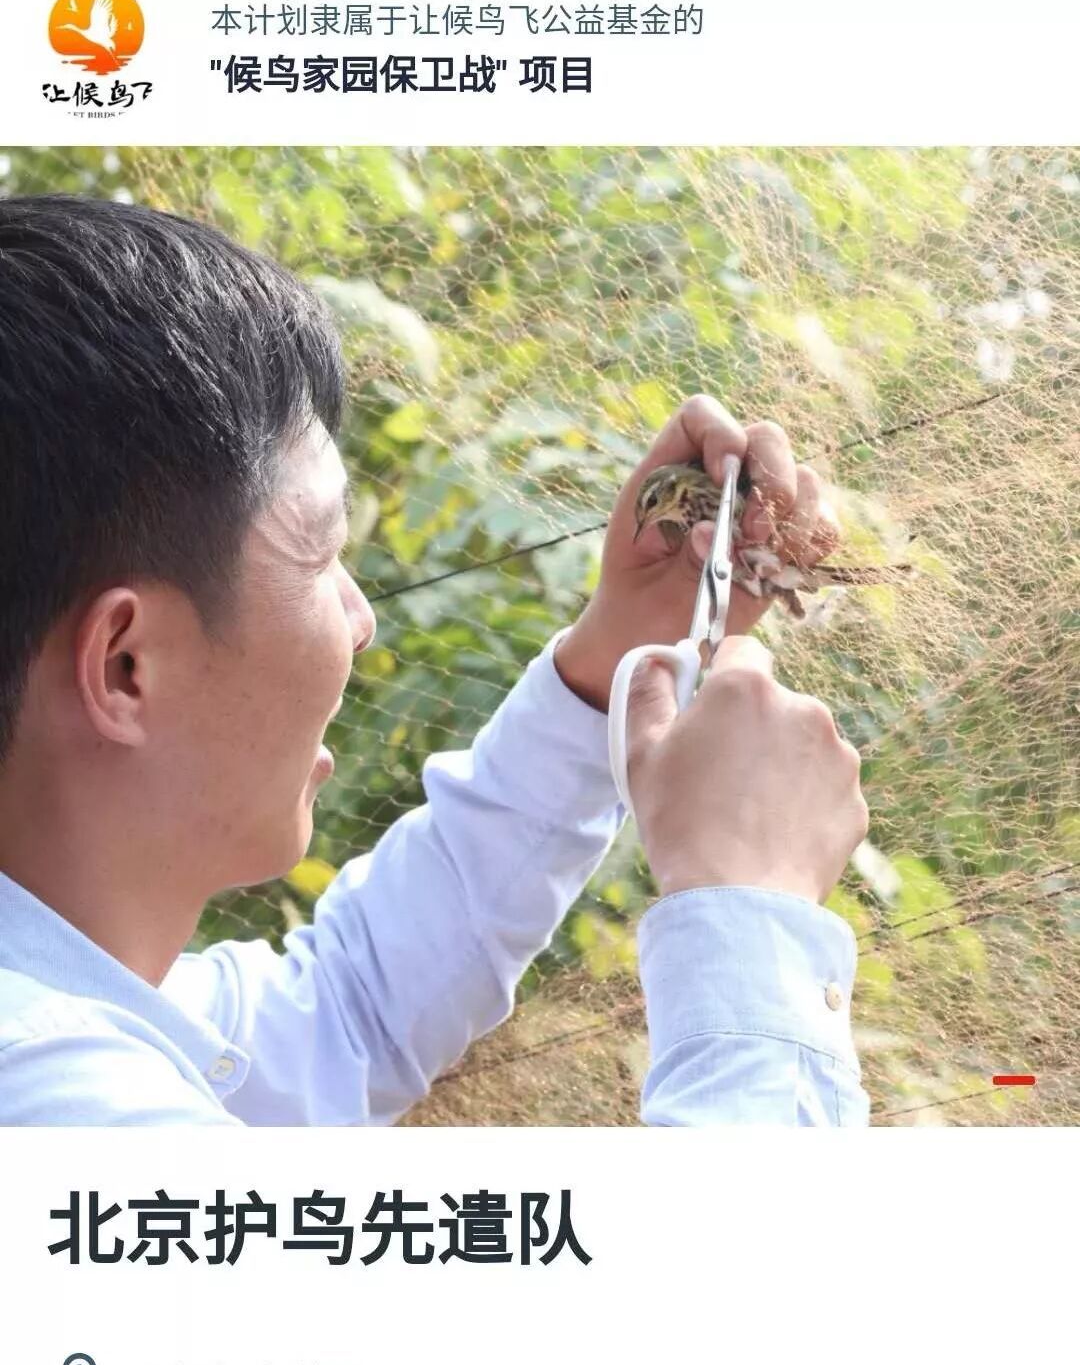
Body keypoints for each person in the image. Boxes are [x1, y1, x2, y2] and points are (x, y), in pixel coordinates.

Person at [0, 195, 869, 1128]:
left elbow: (346, 1014)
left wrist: (622, 648)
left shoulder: (69, 1005)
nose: (361, 619)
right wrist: (751, 906)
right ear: (127, 666)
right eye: (322, 554)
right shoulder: (59, 1100)